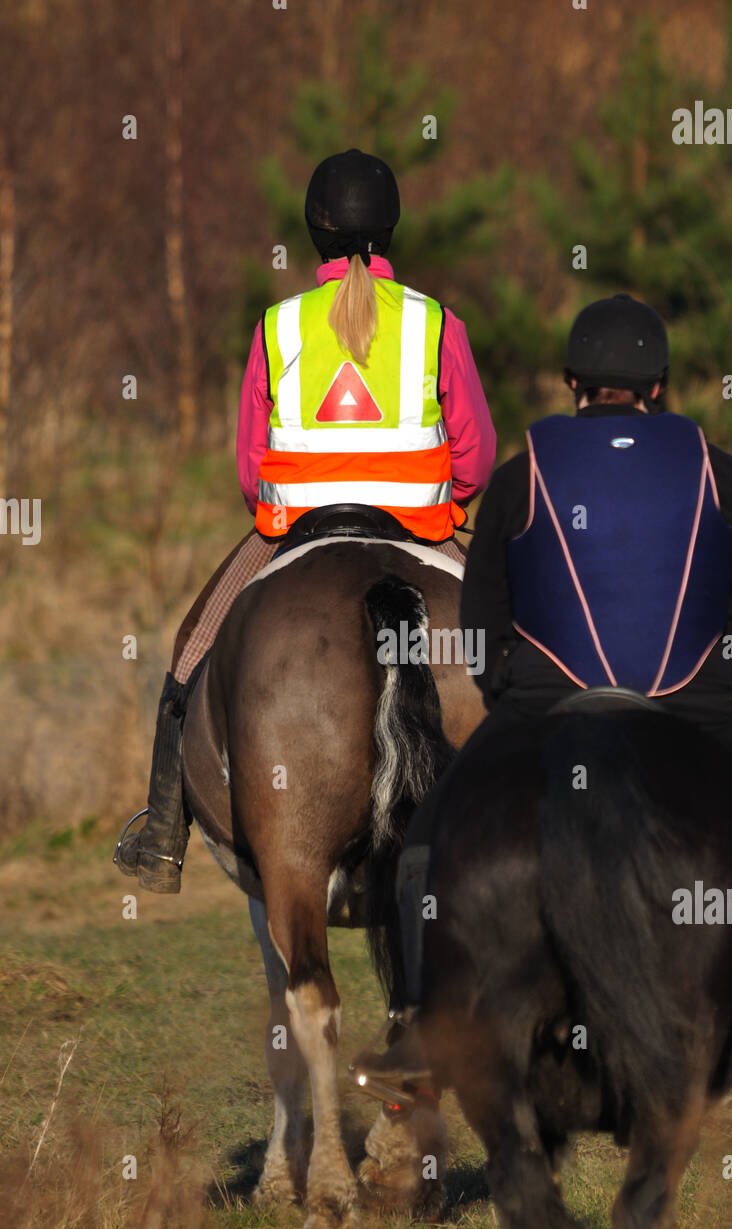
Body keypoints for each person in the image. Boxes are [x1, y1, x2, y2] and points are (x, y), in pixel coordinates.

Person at [355, 292, 732, 1127]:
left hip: (547, 705)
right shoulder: (712, 466)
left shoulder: (525, 470)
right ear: (658, 386)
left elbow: (483, 616)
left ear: (572, 382)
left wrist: (511, 695)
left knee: (426, 841)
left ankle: (417, 1041)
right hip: (688, 704)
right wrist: (712, 682)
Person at [115, 148, 495, 893]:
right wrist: (443, 502)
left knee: (192, 648)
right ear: (389, 229)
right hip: (422, 528)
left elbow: (249, 464)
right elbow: (475, 455)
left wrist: (280, 508)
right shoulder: (434, 324)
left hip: (292, 530)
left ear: (313, 233)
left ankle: (161, 834)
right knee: (525, 641)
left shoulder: (277, 327)